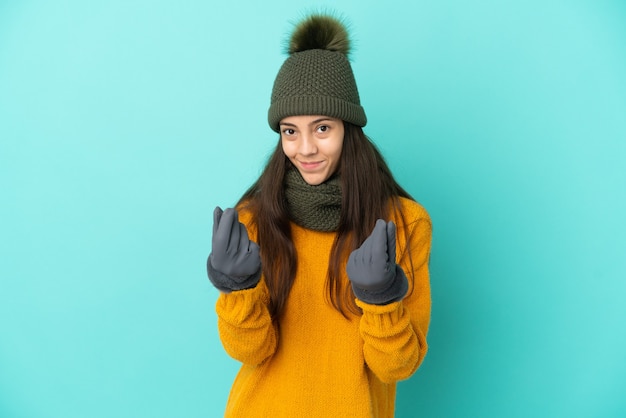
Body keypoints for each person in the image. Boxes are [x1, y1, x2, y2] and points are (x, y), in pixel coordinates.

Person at [206, 13, 432, 418]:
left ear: (349, 127)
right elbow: (250, 351)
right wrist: (237, 289)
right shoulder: (255, 219)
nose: (304, 148)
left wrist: (380, 299)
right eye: (290, 131)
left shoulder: (404, 223)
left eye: (322, 128)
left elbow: (397, 366)